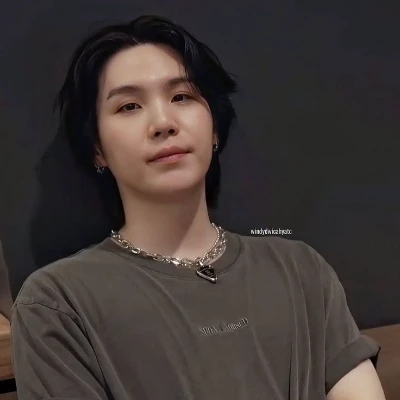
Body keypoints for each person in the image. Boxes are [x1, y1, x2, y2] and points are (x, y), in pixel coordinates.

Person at [11, 15, 386, 400]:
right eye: (129, 106)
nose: (163, 122)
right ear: (97, 148)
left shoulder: (301, 270)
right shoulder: (58, 303)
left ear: (215, 127)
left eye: (182, 97)